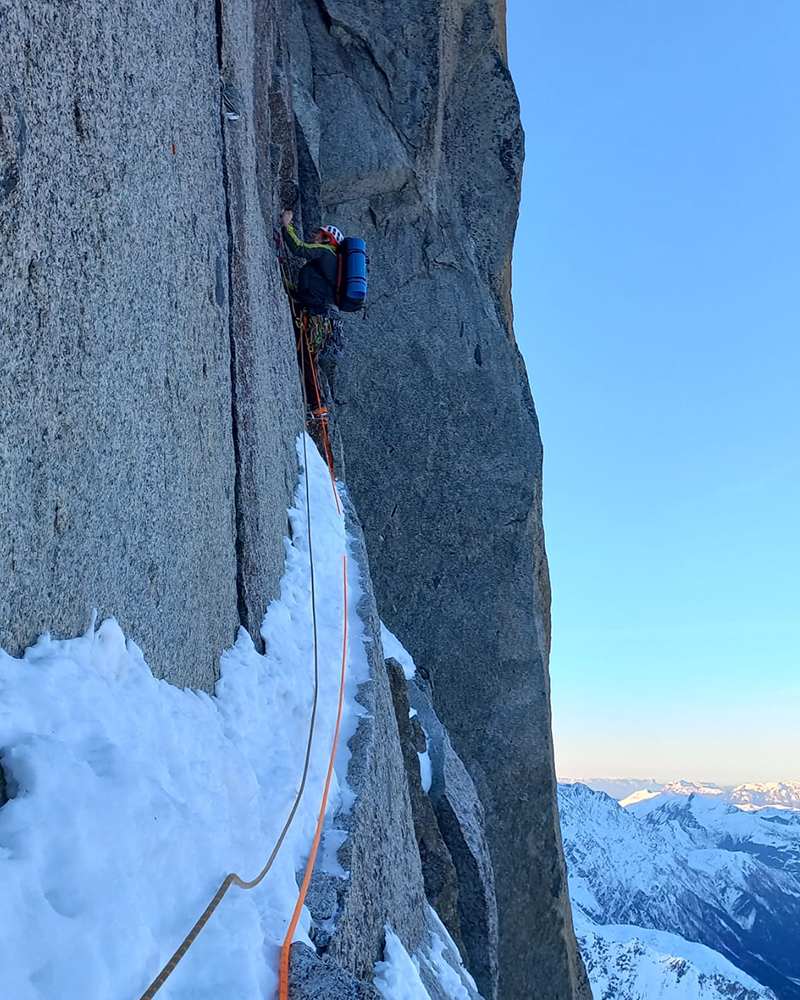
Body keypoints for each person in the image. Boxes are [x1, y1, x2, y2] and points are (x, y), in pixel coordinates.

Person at [279, 210, 344, 423]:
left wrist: (286, 225)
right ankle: (318, 405)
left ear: (327, 239)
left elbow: (299, 248)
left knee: (308, 358)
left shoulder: (326, 253)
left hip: (317, 317)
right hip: (320, 316)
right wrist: (284, 283)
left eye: (318, 233)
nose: (313, 235)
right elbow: (305, 291)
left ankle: (318, 405)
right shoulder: (329, 264)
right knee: (307, 357)